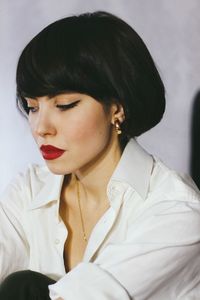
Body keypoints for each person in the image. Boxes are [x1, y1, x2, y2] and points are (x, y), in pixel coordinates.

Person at [0, 10, 200, 300]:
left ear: (116, 108)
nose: (41, 128)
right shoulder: (30, 190)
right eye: (32, 107)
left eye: (65, 105)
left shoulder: (178, 212)